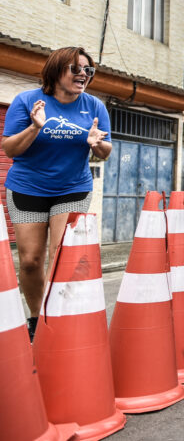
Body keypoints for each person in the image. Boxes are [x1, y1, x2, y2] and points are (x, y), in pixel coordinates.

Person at [1, 46, 111, 340]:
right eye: (76, 68)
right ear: (56, 69)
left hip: (72, 189)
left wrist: (95, 143)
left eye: (88, 70)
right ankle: (37, 318)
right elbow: (9, 148)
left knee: (60, 256)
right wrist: (36, 128)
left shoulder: (95, 107)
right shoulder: (26, 102)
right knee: (30, 260)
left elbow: (106, 151)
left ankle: (57, 319)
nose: (83, 75)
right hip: (27, 188)